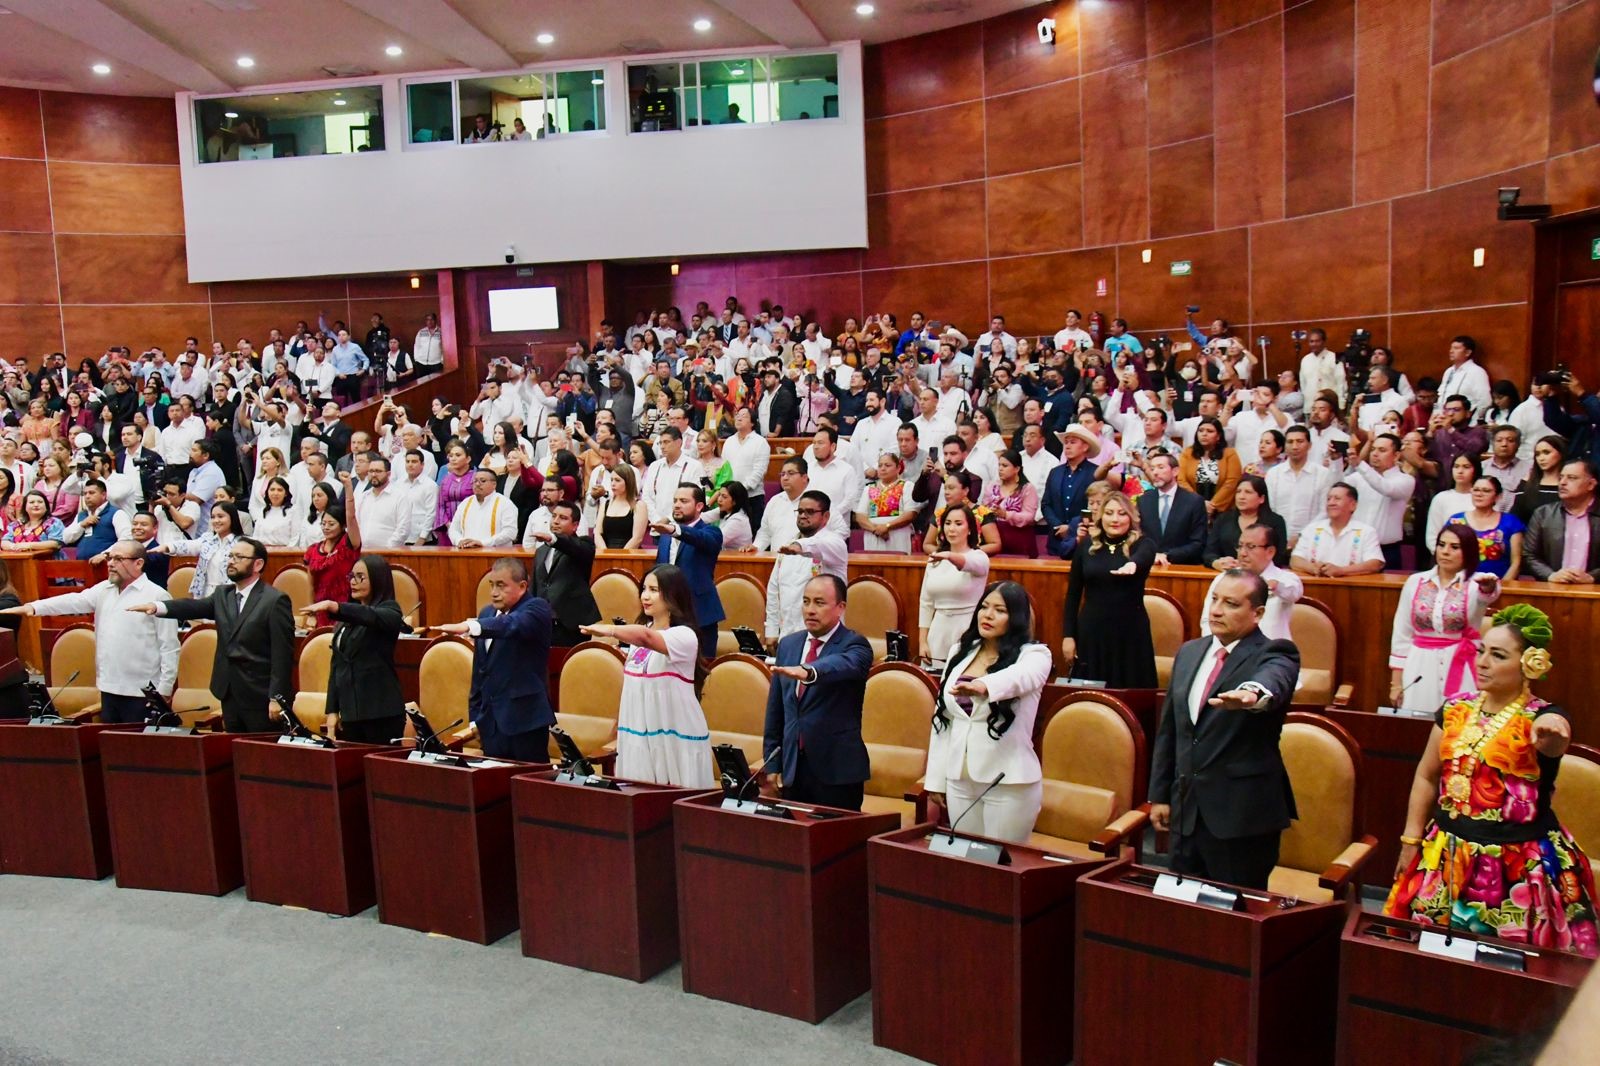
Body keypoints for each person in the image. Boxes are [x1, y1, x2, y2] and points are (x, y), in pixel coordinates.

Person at [1384, 604, 1596, 957]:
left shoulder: (1542, 717)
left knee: (1507, 966)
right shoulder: (1455, 709)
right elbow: (1426, 774)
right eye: (1481, 650)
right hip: (1447, 853)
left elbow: (1555, 740)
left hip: (1516, 863)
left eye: (1498, 655)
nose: (1482, 662)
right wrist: (1410, 838)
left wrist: (1553, 736)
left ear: (1529, 665)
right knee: (1432, 959)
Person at [1148, 570, 1302, 889]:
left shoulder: (1275, 652)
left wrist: (1252, 694)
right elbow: (1171, 731)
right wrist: (1159, 795)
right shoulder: (1190, 652)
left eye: (1231, 603)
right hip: (1186, 812)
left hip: (1240, 818)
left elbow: (1274, 679)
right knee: (1182, 907)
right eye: (1215, 599)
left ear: (1257, 613)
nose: (1216, 610)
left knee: (1235, 918)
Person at [925, 581, 1053, 842]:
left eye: (1000, 610)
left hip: (1009, 783)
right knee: (968, 865)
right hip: (960, 779)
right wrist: (936, 779)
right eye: (984, 607)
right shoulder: (960, 651)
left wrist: (984, 685)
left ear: (1016, 617)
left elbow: (1020, 678)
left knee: (1003, 868)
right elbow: (943, 719)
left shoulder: (1035, 655)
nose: (988, 615)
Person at [5, 540, 178, 723]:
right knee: (110, 745)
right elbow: (73, 601)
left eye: (118, 559)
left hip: (142, 692)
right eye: (110, 558)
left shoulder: (157, 596)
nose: (110, 563)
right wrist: (32, 607)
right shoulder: (105, 589)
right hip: (108, 687)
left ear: (139, 563)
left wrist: (165, 689)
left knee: (135, 748)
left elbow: (169, 647)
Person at [134, 537, 295, 733]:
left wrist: (276, 697)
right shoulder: (223, 594)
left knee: (259, 754)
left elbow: (282, 654)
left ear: (258, 564)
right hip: (228, 691)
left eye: (239, 557)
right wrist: (157, 606)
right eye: (230, 556)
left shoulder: (275, 600)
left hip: (259, 695)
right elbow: (194, 606)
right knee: (233, 750)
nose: (231, 561)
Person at [580, 565, 715, 788]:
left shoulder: (684, 636)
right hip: (639, 733)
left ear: (673, 595)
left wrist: (610, 631)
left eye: (654, 589)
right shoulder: (642, 631)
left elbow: (645, 637)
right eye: (644, 589)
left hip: (673, 736)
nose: (645, 595)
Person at [759, 573, 874, 810]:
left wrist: (809, 672)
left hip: (837, 773)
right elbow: (776, 710)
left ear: (840, 607)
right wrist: (772, 762)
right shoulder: (789, 644)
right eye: (806, 601)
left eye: (819, 603)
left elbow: (843, 665)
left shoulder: (856, 645)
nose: (810, 610)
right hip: (793, 769)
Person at [435, 558, 554, 762]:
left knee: (528, 787)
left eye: (501, 585)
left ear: (522, 586)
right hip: (491, 725)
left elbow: (512, 625)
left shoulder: (537, 608)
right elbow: (480, 672)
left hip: (525, 722)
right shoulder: (487, 613)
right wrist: (475, 719)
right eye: (491, 585)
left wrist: (470, 626)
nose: (494, 592)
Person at [1389, 524, 1501, 714]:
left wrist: (1489, 587)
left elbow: (1489, 594)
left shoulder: (1476, 583)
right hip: (1420, 663)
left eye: (1454, 547)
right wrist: (1396, 684)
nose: (1445, 552)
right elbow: (1402, 634)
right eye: (1442, 545)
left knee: (1460, 722)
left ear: (1468, 552)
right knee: (1417, 722)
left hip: (1461, 661)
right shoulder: (1416, 582)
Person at [306, 554, 410, 744]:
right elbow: (337, 665)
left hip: (380, 712)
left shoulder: (389, 610)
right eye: (351, 576)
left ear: (378, 579)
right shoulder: (347, 619)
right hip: (351, 712)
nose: (353, 582)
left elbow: (371, 616)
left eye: (360, 577)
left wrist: (335, 606)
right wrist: (332, 710)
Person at [1062, 494, 1158, 687]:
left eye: (1122, 514)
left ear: (1131, 517)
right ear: (1101, 516)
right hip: (1092, 632)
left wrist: (1132, 565)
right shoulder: (1087, 545)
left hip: (1130, 634)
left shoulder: (1142, 544)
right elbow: (1073, 594)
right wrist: (1068, 636)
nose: (1115, 519)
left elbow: (1145, 556)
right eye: (1109, 513)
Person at [764, 487, 849, 644]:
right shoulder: (788, 546)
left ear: (825, 516)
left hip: (825, 638)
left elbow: (816, 544)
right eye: (800, 511)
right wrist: (771, 630)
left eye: (810, 512)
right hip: (788, 636)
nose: (803, 516)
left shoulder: (834, 543)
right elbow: (774, 590)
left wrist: (799, 546)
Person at [650, 485, 724, 659]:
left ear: (699, 506)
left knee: (700, 674)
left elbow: (700, 539)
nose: (676, 505)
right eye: (675, 501)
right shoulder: (665, 536)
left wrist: (676, 531)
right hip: (669, 616)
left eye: (683, 501)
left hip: (699, 616)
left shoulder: (711, 531)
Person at [918, 504, 991, 668]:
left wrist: (949, 555)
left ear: (970, 528)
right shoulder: (935, 560)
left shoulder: (979, 557)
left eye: (958, 524)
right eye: (948, 523)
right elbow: (926, 603)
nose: (952, 528)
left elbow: (968, 564)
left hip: (967, 628)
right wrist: (923, 641)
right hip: (938, 630)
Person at [1201, 525, 1301, 642]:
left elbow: (1293, 593)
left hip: (1270, 654)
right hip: (1228, 652)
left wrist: (1277, 586)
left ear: (1270, 552)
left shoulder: (1286, 579)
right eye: (1240, 546)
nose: (1242, 553)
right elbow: (1207, 621)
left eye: (1250, 547)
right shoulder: (1224, 579)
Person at [526, 500, 600, 648]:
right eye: (554, 516)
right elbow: (536, 586)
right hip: (544, 622)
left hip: (571, 624)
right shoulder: (541, 551)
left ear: (575, 525)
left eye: (563, 518)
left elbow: (572, 547)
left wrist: (553, 539)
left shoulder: (584, 545)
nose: (556, 521)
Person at [1524, 458, 1600, 584]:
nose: (1562, 483)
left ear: (1591, 484)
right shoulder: (1543, 514)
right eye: (1561, 477)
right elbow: (1528, 554)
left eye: (1572, 478)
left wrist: (1593, 577)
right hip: (1552, 589)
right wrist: (1550, 575)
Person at [1290, 483, 1385, 577]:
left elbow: (1375, 563)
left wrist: (1341, 571)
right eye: (1328, 499)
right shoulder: (1312, 529)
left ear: (1352, 505)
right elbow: (1295, 560)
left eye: (1337, 498)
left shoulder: (1366, 531)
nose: (1331, 503)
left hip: (1352, 588)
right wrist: (1313, 568)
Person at [1136, 451, 1207, 565]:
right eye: (1152, 468)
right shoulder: (1144, 500)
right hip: (1149, 565)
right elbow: (1139, 536)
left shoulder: (1194, 501)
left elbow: (1198, 542)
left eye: (1161, 467)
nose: (1155, 472)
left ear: (1175, 471)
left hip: (1182, 566)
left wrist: (1168, 555)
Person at [1204, 475, 1288, 570]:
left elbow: (1279, 557)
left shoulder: (1275, 521)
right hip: (1227, 574)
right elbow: (1209, 552)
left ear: (1261, 498)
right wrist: (1217, 563)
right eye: (1238, 492)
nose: (1241, 497)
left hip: (1262, 577)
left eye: (1248, 492)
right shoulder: (1223, 519)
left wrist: (1246, 565)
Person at [1450, 476, 1524, 581]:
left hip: (1499, 586)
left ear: (1498, 496)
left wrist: (1502, 587)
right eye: (1476, 490)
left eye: (1486, 491)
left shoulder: (1511, 522)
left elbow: (1516, 563)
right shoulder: (1456, 521)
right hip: (1461, 585)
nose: (1479, 494)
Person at [1179, 416, 1242, 518]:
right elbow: (1181, 480)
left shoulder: (1229, 454)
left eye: (1210, 431)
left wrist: (1212, 505)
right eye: (1201, 430)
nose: (1204, 434)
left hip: (1222, 510)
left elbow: (1232, 482)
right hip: (1192, 507)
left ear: (1218, 436)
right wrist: (1199, 503)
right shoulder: (1188, 453)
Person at [981, 450, 1039, 557]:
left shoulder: (1027, 489)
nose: (1000, 469)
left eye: (1005, 465)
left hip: (1020, 540)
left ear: (1017, 469)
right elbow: (983, 510)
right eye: (999, 465)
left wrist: (1006, 514)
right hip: (994, 538)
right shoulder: (992, 486)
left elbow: (1029, 517)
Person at [448, 468, 518, 549]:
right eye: (475, 481)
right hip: (467, 553)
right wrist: (460, 541)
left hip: (496, 556)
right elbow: (453, 529)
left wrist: (483, 543)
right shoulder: (465, 503)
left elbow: (510, 532)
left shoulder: (505, 503)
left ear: (494, 484)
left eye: (483, 481)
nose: (477, 484)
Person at [1512, 434, 1567, 526]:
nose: (1541, 458)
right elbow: (1516, 518)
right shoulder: (1526, 485)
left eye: (1546, 452)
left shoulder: (1568, 484)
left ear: (1560, 453)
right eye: (1537, 454)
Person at [594, 465, 647, 550]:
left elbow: (637, 538)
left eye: (617, 480)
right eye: (611, 480)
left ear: (628, 482)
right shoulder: (605, 504)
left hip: (629, 555)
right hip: (605, 554)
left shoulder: (639, 505)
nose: (613, 484)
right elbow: (597, 533)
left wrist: (620, 557)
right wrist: (605, 554)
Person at [1, 490, 66, 555]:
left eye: (40, 502)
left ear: (46, 506)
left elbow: (56, 544)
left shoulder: (54, 523)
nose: (36, 505)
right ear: (25, 507)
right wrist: (14, 547)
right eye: (31, 502)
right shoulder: (16, 525)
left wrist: (29, 545)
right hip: (19, 561)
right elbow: (4, 542)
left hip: (48, 561)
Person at [704, 483, 753, 551]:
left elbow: (716, 540)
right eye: (719, 495)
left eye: (724, 497)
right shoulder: (725, 510)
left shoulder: (738, 520)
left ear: (735, 501)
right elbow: (702, 517)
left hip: (739, 559)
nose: (719, 499)